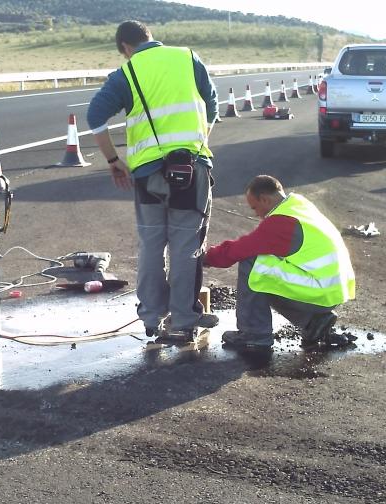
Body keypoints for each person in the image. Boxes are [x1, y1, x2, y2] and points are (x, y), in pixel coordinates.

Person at [87, 20, 219, 343]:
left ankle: (150, 317)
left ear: (126, 49)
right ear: (150, 38)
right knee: (186, 245)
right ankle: (185, 319)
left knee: (151, 245)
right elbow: (213, 106)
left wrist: (113, 161)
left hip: (147, 175)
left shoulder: (127, 73)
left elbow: (94, 117)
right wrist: (198, 147)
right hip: (191, 171)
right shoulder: (188, 58)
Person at [204, 175, 356, 351]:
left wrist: (205, 258)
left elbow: (240, 249)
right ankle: (312, 322)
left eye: (255, 207)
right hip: (333, 289)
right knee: (270, 275)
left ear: (265, 199)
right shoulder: (299, 205)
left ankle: (254, 334)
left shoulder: (282, 222)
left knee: (255, 264)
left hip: (320, 291)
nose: (255, 214)